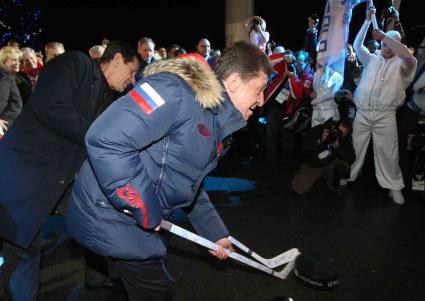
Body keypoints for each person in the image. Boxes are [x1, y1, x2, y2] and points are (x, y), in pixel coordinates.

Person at [65, 41, 272, 300]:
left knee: (117, 287)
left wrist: (215, 233)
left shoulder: (216, 121)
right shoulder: (176, 91)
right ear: (233, 82)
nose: (262, 100)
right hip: (114, 215)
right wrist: (144, 206)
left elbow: (187, 184)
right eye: (259, 89)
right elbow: (106, 139)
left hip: (127, 218)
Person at [0, 40, 140, 300]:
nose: (132, 80)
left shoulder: (108, 96)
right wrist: (96, 137)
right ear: (118, 59)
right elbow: (50, 106)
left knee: (95, 224)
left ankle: (104, 278)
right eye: (131, 72)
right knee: (21, 251)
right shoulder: (76, 63)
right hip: (25, 176)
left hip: (57, 181)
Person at [348, 6, 417, 205]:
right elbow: (356, 43)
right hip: (363, 113)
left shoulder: (404, 65)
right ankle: (347, 176)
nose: (386, 46)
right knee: (355, 148)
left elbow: (408, 56)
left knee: (388, 153)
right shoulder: (372, 59)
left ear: (395, 43)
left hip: (385, 116)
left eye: (391, 42)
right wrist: (368, 20)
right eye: (384, 42)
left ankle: (394, 187)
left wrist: (385, 36)